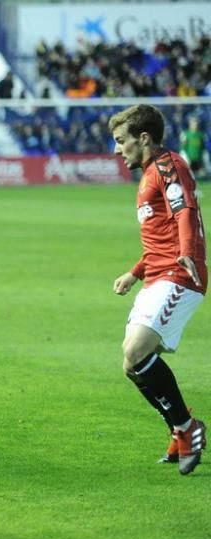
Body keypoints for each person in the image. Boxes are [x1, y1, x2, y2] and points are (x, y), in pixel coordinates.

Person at [109, 104, 207, 474]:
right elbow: (157, 239)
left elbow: (183, 213)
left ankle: (186, 428)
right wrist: (135, 272)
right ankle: (179, 428)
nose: (118, 150)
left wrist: (185, 253)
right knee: (131, 364)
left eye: (122, 141)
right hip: (157, 274)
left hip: (180, 274)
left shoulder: (168, 166)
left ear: (144, 139)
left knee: (136, 349)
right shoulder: (151, 172)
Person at [180, 115, 207, 180]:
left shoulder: (201, 134)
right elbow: (183, 146)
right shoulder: (186, 134)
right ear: (190, 124)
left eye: (196, 123)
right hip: (188, 156)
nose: (195, 125)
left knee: (202, 172)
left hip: (198, 157)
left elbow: (203, 146)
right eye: (194, 123)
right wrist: (185, 156)